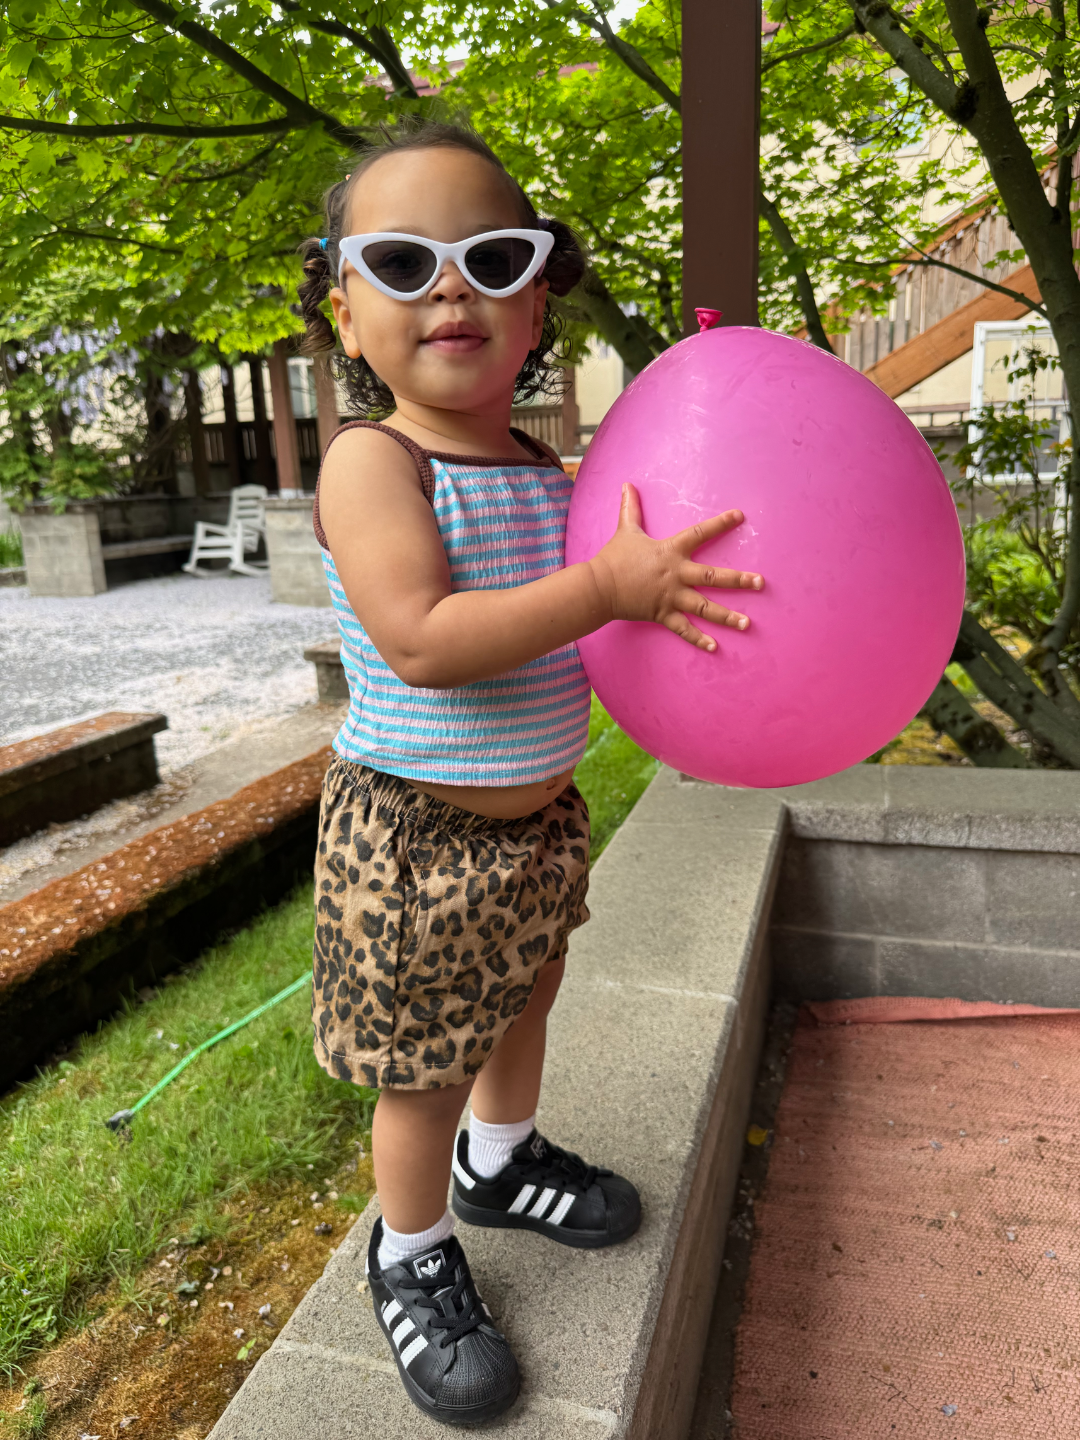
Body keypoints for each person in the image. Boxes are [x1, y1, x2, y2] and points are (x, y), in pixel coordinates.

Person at [297, 118, 762, 1426]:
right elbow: (424, 640)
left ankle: (500, 1166)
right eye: (402, 261)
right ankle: (412, 1252)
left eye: (491, 256)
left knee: (527, 995)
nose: (450, 288)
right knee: (424, 1068)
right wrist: (603, 584)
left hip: (539, 816)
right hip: (417, 837)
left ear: (540, 298)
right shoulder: (371, 463)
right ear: (345, 308)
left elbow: (609, 605)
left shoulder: (549, 469)